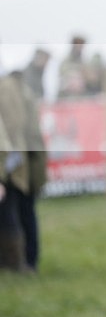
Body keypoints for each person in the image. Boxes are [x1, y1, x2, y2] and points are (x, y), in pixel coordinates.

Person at [0, 71, 47, 272]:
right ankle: (26, 261)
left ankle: (18, 263)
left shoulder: (6, 88)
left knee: (12, 211)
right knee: (22, 210)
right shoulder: (18, 87)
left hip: (14, 161)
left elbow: (12, 127)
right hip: (24, 158)